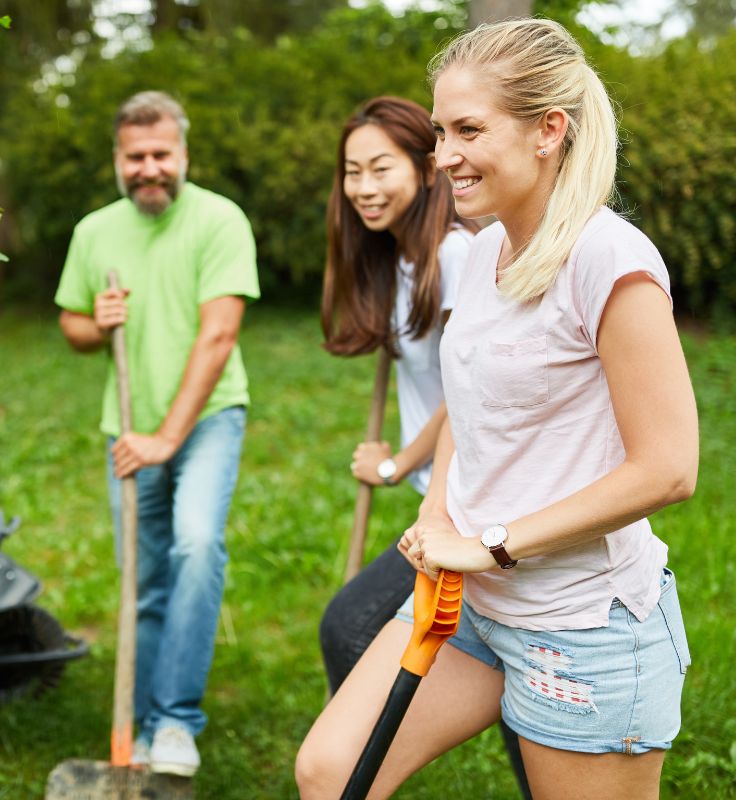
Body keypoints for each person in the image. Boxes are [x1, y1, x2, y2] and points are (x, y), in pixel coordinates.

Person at [296, 18, 697, 799]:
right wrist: (442, 512)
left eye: (468, 130)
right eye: (441, 130)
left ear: (550, 130)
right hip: (471, 604)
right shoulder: (482, 252)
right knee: (330, 771)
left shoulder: (610, 260)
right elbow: (467, 407)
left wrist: (493, 543)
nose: (443, 155)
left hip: (579, 625)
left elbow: (669, 468)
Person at [55, 90, 260, 777]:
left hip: (205, 420)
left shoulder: (220, 220)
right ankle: (140, 727)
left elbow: (219, 334)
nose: (150, 168)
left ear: (184, 154)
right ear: (118, 159)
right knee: (142, 581)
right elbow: (72, 328)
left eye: (161, 155)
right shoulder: (94, 232)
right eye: (136, 156)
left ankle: (175, 720)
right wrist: (99, 321)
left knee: (197, 545)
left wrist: (168, 438)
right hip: (128, 425)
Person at [316, 95, 478, 692]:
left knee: (350, 627)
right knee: (508, 666)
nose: (364, 187)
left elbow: (471, 387)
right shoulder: (404, 257)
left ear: (425, 164)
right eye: (352, 172)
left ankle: (353, 767)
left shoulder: (456, 252)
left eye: (381, 168)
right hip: (444, 495)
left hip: (470, 497)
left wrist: (394, 463)